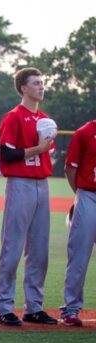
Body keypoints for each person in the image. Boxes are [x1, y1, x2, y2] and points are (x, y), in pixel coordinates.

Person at [0, 68, 57, 326]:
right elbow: (6, 155)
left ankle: (34, 307)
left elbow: (47, 153)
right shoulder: (13, 117)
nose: (41, 87)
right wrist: (39, 149)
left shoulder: (45, 119)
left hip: (42, 184)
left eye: (42, 83)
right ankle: (4, 307)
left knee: (40, 249)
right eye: (36, 83)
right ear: (23, 88)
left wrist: (43, 151)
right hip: (19, 183)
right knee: (12, 247)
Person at [60, 118, 96, 326]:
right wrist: (81, 196)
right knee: (80, 255)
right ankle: (71, 308)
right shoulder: (84, 132)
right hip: (89, 194)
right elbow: (70, 169)